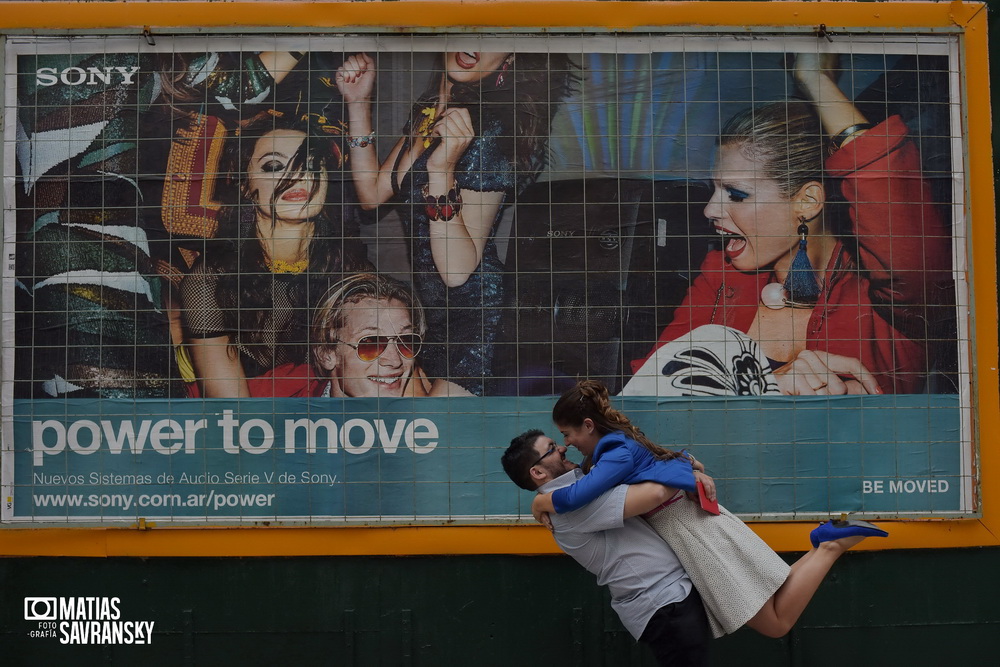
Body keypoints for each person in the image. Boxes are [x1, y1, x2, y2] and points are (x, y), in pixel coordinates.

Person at [630, 54, 951, 395]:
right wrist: (765, 389)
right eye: (714, 189)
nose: (710, 210)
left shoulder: (893, 297)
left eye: (736, 194)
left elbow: (899, 213)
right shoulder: (722, 276)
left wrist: (814, 79)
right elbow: (648, 394)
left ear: (807, 202)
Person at [15, 50, 304, 399]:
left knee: (79, 421)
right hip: (95, 259)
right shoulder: (132, 51)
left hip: (61, 255)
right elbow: (241, 84)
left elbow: (240, 83)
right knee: (126, 422)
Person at [531, 379, 888, 639]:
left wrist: (543, 499)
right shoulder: (617, 447)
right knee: (774, 606)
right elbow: (669, 461)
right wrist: (691, 467)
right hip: (690, 525)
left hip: (690, 530)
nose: (567, 444)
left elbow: (582, 495)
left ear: (588, 426)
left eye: (567, 434)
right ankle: (826, 540)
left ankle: (828, 546)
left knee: (775, 624)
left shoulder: (615, 452)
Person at [335, 51, 574, 395]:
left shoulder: (489, 128)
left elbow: (457, 271)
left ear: (509, 58)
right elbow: (371, 193)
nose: (473, 44)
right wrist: (358, 104)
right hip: (431, 317)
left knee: (430, 440)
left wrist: (442, 171)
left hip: (476, 321)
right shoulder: (430, 112)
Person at [179, 111, 367, 398]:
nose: (297, 176)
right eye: (274, 166)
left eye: (312, 165)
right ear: (245, 184)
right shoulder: (211, 280)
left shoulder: (350, 266)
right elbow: (235, 414)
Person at [502, 429, 713, 666]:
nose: (563, 447)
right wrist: (688, 468)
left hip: (667, 599)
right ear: (538, 472)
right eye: (551, 448)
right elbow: (656, 493)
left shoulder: (577, 486)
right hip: (663, 602)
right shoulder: (569, 508)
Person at [247, 272, 470, 397]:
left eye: (406, 341)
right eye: (371, 343)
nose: (394, 361)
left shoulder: (433, 421)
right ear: (327, 353)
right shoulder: (281, 391)